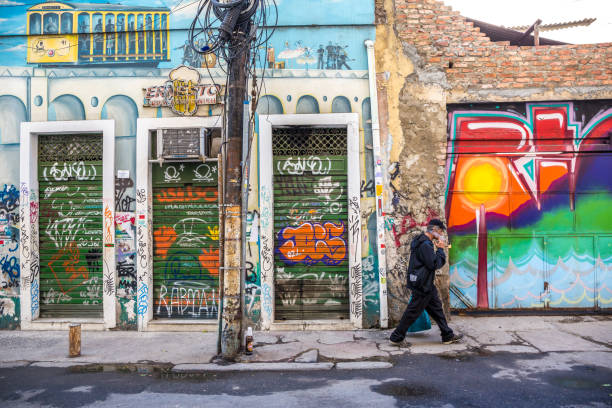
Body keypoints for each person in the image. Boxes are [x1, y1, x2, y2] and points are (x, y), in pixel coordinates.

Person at [390, 219, 463, 346]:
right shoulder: (425, 245)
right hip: (422, 284)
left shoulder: (421, 241)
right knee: (412, 312)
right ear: (434, 230)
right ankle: (396, 337)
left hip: (425, 283)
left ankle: (447, 335)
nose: (441, 234)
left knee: (437, 309)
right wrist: (440, 250)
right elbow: (434, 264)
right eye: (440, 231)